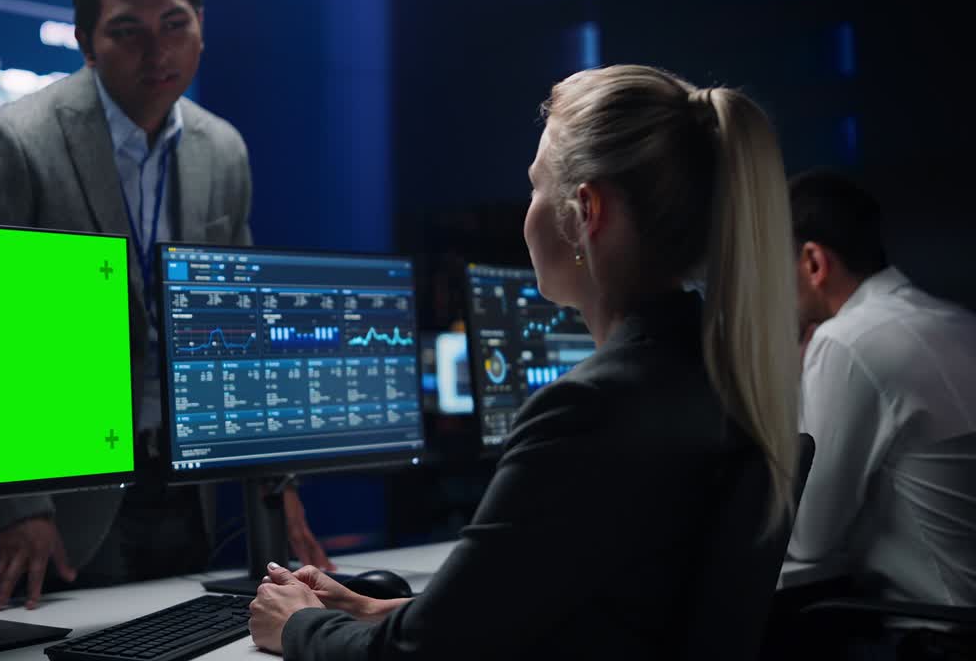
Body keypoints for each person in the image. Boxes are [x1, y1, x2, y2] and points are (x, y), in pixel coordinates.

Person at [248, 64, 802, 657]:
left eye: (536, 187)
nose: (527, 211)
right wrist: (381, 610)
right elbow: (607, 609)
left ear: (584, 212)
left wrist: (299, 625)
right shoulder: (713, 378)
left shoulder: (590, 411)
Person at [0, 0, 331, 612]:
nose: (156, 53)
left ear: (201, 26)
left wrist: (278, 480)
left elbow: (237, 327)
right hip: (69, 498)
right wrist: (16, 503)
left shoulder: (224, 149)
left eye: (174, 26)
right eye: (127, 32)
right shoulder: (18, 140)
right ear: (86, 41)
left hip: (192, 486)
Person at [786, 169, 976, 604]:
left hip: (936, 639)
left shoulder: (848, 341)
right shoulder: (955, 320)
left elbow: (806, 539)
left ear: (813, 263)